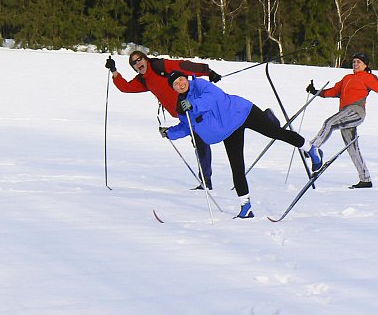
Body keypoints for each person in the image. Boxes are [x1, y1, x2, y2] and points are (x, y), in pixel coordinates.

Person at [160, 71, 321, 218]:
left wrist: (194, 105)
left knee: (276, 133)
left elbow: (212, 98)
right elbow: (186, 126)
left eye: (181, 79)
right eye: (175, 84)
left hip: (242, 112)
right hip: (228, 130)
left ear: (186, 78)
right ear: (174, 89)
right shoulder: (182, 108)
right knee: (236, 166)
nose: (180, 84)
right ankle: (246, 207)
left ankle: (311, 149)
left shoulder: (200, 85)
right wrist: (169, 133)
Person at [105, 51, 222, 189]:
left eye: (139, 59)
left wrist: (208, 72)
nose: (137, 63)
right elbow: (126, 87)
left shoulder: (161, 66)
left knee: (205, 139)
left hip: (193, 107)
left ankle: (207, 181)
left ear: (146, 59)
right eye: (134, 63)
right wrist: (114, 71)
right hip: (182, 114)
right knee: (199, 143)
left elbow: (185, 66)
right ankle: (206, 181)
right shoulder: (144, 80)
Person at [305, 52, 378, 189]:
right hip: (345, 114)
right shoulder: (347, 78)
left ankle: (313, 148)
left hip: (356, 111)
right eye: (354, 62)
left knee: (330, 123)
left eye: (359, 62)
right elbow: (333, 91)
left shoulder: (368, 77)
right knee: (352, 149)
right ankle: (365, 179)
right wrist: (315, 91)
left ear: (365, 65)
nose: (355, 64)